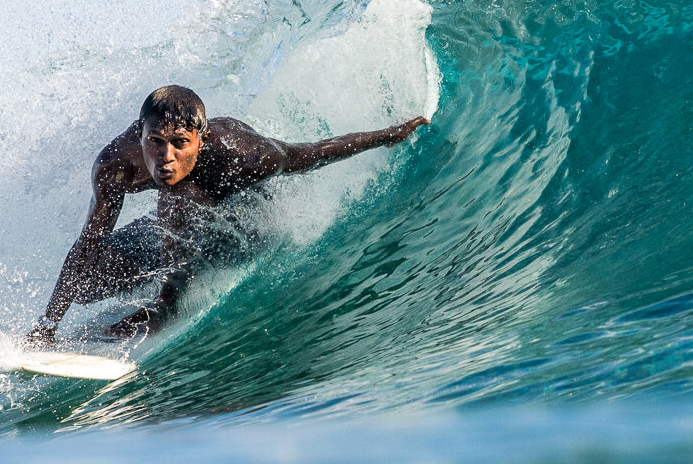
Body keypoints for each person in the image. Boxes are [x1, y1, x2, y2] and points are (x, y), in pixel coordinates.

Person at [28, 84, 428, 344]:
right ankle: (149, 297)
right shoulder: (115, 167)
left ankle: (167, 302)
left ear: (200, 139)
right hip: (176, 221)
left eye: (180, 143)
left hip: (244, 220)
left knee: (178, 204)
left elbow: (315, 153)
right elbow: (87, 246)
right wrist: (48, 325)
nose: (166, 158)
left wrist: (389, 135)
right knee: (93, 277)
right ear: (140, 133)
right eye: (155, 142)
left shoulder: (245, 154)